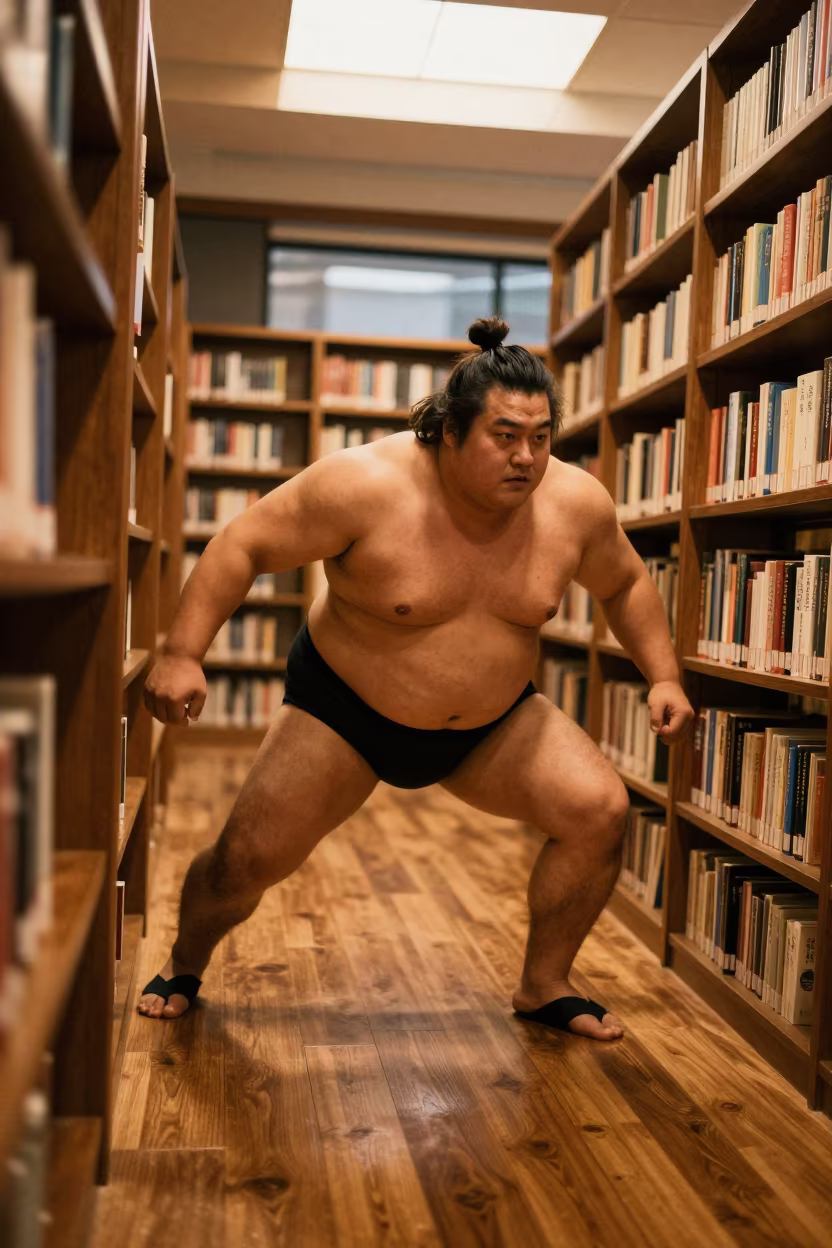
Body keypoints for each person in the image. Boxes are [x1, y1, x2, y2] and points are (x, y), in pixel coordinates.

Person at [138, 316, 693, 1040]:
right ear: (448, 432)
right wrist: (183, 651)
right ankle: (184, 962)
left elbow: (623, 585)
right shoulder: (363, 484)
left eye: (541, 436)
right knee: (244, 860)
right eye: (504, 436)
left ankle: (544, 985)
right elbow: (243, 545)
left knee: (599, 811)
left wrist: (663, 676)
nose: (526, 457)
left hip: (493, 725)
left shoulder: (575, 504)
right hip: (344, 714)